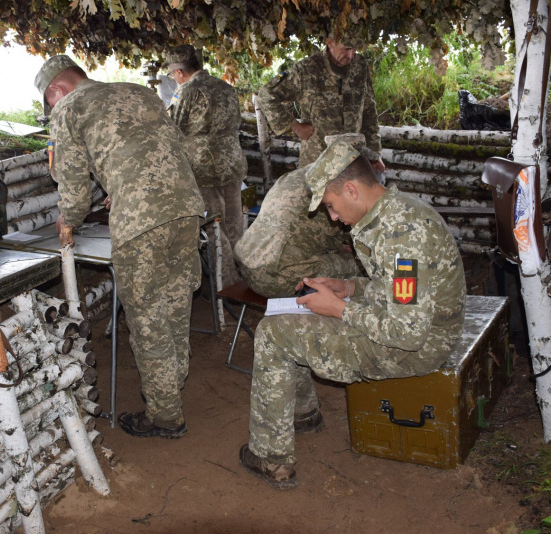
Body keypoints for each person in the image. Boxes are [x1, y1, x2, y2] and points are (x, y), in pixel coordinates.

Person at [239, 139, 466, 489]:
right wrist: (350, 288)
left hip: (414, 349)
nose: (332, 217)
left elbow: (408, 333)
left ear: (351, 189)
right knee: (294, 319)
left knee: (273, 335)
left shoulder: (399, 236)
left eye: (331, 205)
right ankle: (302, 414)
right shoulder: (396, 212)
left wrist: (340, 309)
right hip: (418, 329)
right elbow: (400, 292)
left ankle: (272, 460)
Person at [34, 55, 205, 439]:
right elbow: (169, 151)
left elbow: (75, 187)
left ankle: (165, 417)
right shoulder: (137, 92)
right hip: (186, 209)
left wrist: (69, 218)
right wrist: (122, 187)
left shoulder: (69, 110)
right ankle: (171, 387)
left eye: (51, 104)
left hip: (142, 224)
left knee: (148, 321)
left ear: (56, 92)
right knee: (176, 307)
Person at [164, 44, 248, 287]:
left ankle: (226, 285)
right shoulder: (226, 88)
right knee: (234, 224)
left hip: (203, 168)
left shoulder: (186, 91)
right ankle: (244, 276)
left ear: (178, 72)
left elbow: (175, 130)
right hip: (232, 164)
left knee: (213, 228)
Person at [256, 30, 385, 170]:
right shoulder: (306, 70)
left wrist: (374, 155)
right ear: (330, 43)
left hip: (352, 160)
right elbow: (266, 94)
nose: (351, 55)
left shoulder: (360, 67)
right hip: (317, 162)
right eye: (346, 48)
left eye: (354, 49)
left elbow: (369, 110)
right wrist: (295, 126)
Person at [233, 159, 362, 299]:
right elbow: (342, 238)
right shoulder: (331, 188)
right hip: (276, 279)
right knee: (364, 267)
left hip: (246, 265)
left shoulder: (293, 176)